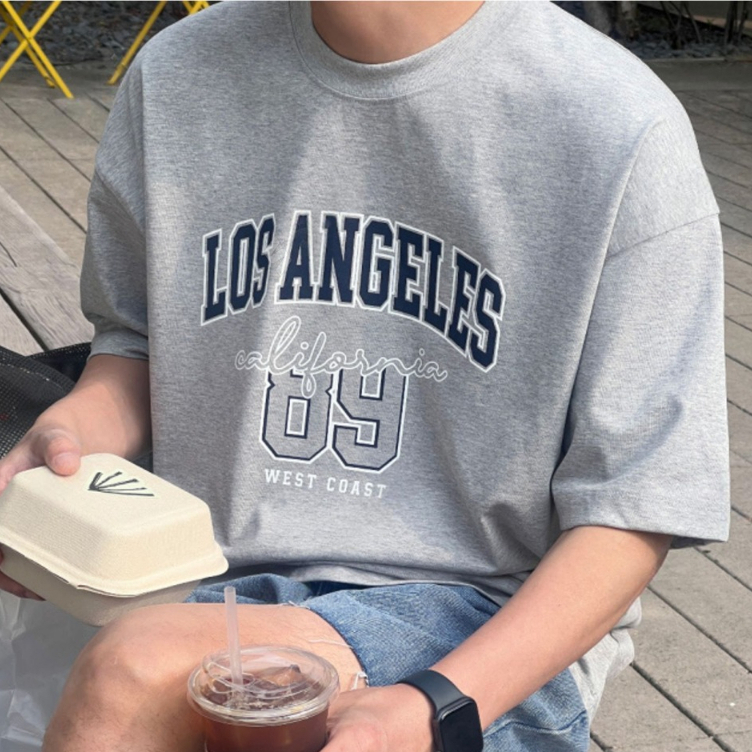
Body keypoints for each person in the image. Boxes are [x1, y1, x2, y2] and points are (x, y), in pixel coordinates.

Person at [0, 2, 730, 751]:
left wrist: (435, 704)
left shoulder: (615, 124)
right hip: (200, 579)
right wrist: (71, 435)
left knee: (136, 671)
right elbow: (139, 344)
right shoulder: (176, 74)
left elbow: (633, 508)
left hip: (483, 615)